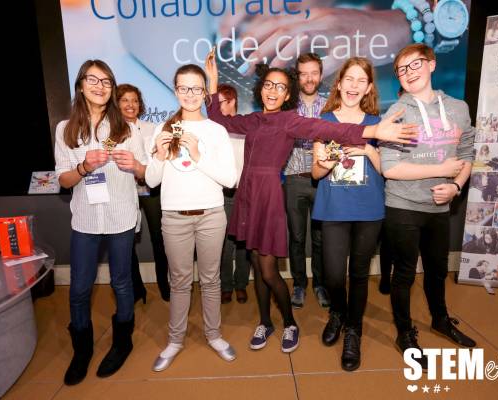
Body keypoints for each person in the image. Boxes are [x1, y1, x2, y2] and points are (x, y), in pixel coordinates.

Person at [204, 47, 419, 353]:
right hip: (247, 196)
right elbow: (220, 121)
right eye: (268, 85)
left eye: (281, 86)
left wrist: (372, 130)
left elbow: (329, 128)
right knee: (254, 262)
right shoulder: (252, 120)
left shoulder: (291, 121)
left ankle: (289, 322)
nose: (273, 91)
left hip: (268, 196)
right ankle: (265, 321)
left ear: (288, 93)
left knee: (268, 270)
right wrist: (212, 85)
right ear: (260, 88)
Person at [380, 44, 477, 370]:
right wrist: (440, 171)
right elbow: (389, 168)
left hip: (440, 206)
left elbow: (467, 152)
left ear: (432, 64)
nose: (409, 72)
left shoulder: (458, 108)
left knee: (437, 271)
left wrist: (455, 186)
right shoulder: (395, 113)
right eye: (401, 69)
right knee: (404, 273)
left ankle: (440, 319)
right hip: (403, 204)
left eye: (415, 64)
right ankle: (405, 332)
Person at [54, 60, 147, 385]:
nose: (100, 85)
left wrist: (134, 164)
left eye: (106, 81)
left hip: (121, 215)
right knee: (79, 288)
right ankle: (82, 350)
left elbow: (144, 172)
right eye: (93, 80)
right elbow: (64, 181)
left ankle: (123, 340)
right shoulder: (66, 129)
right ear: (80, 85)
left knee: (122, 283)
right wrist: (83, 167)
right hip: (85, 220)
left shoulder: (127, 128)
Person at [145, 64, 238, 371]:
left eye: (196, 88)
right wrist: (158, 156)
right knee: (180, 281)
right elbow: (152, 181)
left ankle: (213, 335)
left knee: (211, 280)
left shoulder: (216, 131)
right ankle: (175, 340)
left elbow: (230, 180)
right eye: (183, 88)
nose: (190, 94)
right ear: (175, 91)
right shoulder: (164, 129)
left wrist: (198, 153)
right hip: (174, 217)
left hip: (211, 215)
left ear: (204, 93)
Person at [311, 57, 384, 371]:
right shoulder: (323, 121)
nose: (354, 86)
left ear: (368, 87)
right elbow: (315, 173)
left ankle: (353, 329)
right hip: (334, 208)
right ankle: (338, 312)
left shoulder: (377, 123)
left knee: (359, 275)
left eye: (361, 80)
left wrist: (368, 149)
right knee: (332, 275)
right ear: (338, 83)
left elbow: (387, 171)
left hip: (369, 209)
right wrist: (327, 163)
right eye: (348, 79)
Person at [117, 84, 170, 303]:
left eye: (135, 100)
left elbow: (160, 157)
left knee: (160, 239)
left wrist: (145, 171)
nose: (131, 105)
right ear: (116, 104)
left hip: (151, 189)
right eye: (125, 100)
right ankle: (137, 289)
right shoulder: (109, 131)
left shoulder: (152, 128)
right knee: (126, 240)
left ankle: (164, 284)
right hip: (123, 190)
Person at [283, 53, 328, 309]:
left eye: (313, 73)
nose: (309, 78)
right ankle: (299, 284)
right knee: (297, 237)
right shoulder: (287, 107)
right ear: (297, 76)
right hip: (293, 179)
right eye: (304, 73)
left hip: (323, 181)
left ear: (320, 75)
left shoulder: (331, 106)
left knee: (321, 238)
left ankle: (320, 284)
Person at [217, 83, 251, 304]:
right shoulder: (213, 130)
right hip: (222, 193)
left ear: (232, 101)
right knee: (225, 243)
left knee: (243, 242)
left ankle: (241, 284)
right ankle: (226, 285)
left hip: (246, 192)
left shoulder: (246, 126)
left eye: (221, 102)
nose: (218, 107)